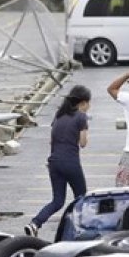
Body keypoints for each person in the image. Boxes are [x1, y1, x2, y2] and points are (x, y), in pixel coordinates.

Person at [25, 85, 92, 237]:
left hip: (54, 162)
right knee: (81, 198)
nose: (89, 106)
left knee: (57, 201)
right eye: (89, 103)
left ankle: (35, 223)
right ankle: (80, 229)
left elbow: (51, 141)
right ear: (83, 102)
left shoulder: (59, 115)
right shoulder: (81, 117)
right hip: (70, 162)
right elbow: (83, 143)